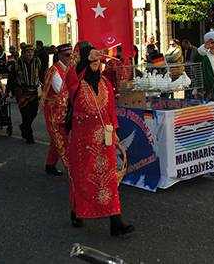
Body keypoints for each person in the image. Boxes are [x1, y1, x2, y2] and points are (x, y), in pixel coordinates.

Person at [65, 43, 134, 236]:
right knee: (82, 177)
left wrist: (115, 132)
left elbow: (110, 110)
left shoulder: (105, 83)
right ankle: (76, 211)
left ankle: (116, 221)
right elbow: (72, 73)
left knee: (109, 179)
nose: (96, 64)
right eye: (92, 60)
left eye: (98, 61)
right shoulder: (76, 83)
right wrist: (85, 56)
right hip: (82, 140)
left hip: (105, 139)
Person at [41, 44, 73, 176]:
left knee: (57, 139)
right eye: (67, 55)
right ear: (59, 55)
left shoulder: (70, 69)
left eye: (72, 55)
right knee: (61, 140)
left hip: (64, 110)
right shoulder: (54, 70)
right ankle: (72, 171)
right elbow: (62, 90)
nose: (70, 57)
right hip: (54, 112)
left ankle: (50, 164)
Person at [12, 45, 42, 144]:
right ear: (23, 53)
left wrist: (45, 86)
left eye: (32, 52)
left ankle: (24, 126)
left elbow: (42, 75)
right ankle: (29, 136)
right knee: (26, 115)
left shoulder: (37, 62)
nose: (30, 54)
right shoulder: (17, 64)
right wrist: (7, 92)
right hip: (21, 92)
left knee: (33, 112)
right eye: (28, 52)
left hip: (33, 91)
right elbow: (11, 78)